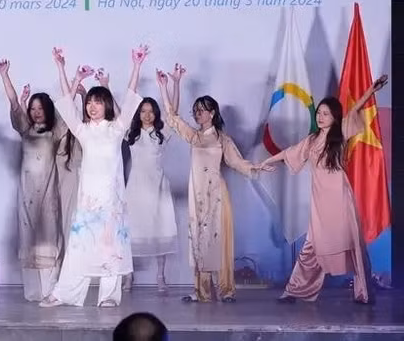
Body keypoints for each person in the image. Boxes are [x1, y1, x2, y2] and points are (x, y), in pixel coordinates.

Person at [258, 75, 387, 305]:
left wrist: (371, 90)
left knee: (354, 244)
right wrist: (266, 162)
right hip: (321, 201)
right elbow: (289, 152)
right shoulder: (312, 140)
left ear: (335, 117)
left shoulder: (341, 133)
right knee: (311, 246)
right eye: (319, 112)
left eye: (326, 113)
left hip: (340, 197)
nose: (320, 116)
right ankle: (294, 290)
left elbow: (356, 107)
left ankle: (363, 292)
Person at [40, 45, 145, 308]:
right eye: (89, 102)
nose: (92, 106)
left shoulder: (116, 129)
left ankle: (109, 296)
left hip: (111, 201)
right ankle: (63, 292)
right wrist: (62, 67)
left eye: (98, 102)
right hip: (88, 202)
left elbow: (132, 98)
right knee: (79, 247)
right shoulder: (83, 130)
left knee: (110, 248)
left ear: (106, 104)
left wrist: (137, 66)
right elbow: (66, 99)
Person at [158, 73, 260, 303]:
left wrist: (260, 167)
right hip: (197, 194)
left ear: (212, 113)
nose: (198, 114)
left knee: (218, 241)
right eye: (195, 110)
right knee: (198, 241)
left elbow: (238, 162)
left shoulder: (222, 139)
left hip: (216, 195)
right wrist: (168, 85)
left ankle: (226, 290)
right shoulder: (193, 136)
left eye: (202, 110)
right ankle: (201, 291)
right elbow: (172, 117)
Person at [0, 59, 64, 301]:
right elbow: (14, 103)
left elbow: (68, 108)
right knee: (29, 238)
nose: (35, 112)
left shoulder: (55, 132)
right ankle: (33, 292)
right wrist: (5, 75)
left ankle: (50, 290)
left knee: (48, 237)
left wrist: (71, 79)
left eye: (39, 108)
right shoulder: (25, 130)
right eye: (32, 108)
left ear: (47, 109)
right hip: (26, 194)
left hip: (47, 193)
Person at [122, 66, 183, 293]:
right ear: (138, 114)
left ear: (155, 113)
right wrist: (107, 85)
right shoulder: (131, 133)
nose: (147, 115)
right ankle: (128, 276)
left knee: (160, 227)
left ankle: (160, 276)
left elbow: (173, 113)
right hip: (136, 187)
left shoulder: (162, 133)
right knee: (130, 232)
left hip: (157, 186)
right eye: (143, 111)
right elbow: (121, 110)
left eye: (151, 111)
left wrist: (171, 85)